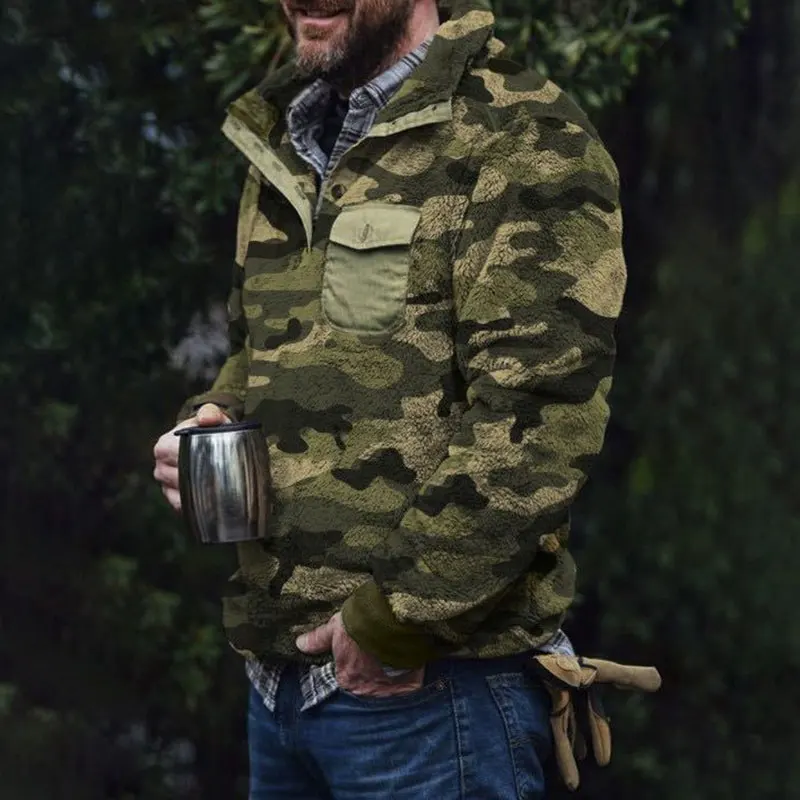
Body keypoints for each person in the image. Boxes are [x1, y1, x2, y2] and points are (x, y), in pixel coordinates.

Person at [153, 0, 630, 796]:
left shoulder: (519, 134)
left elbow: (540, 417)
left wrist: (394, 623)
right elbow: (262, 351)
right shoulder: (286, 137)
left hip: (432, 697)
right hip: (278, 690)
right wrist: (214, 419)